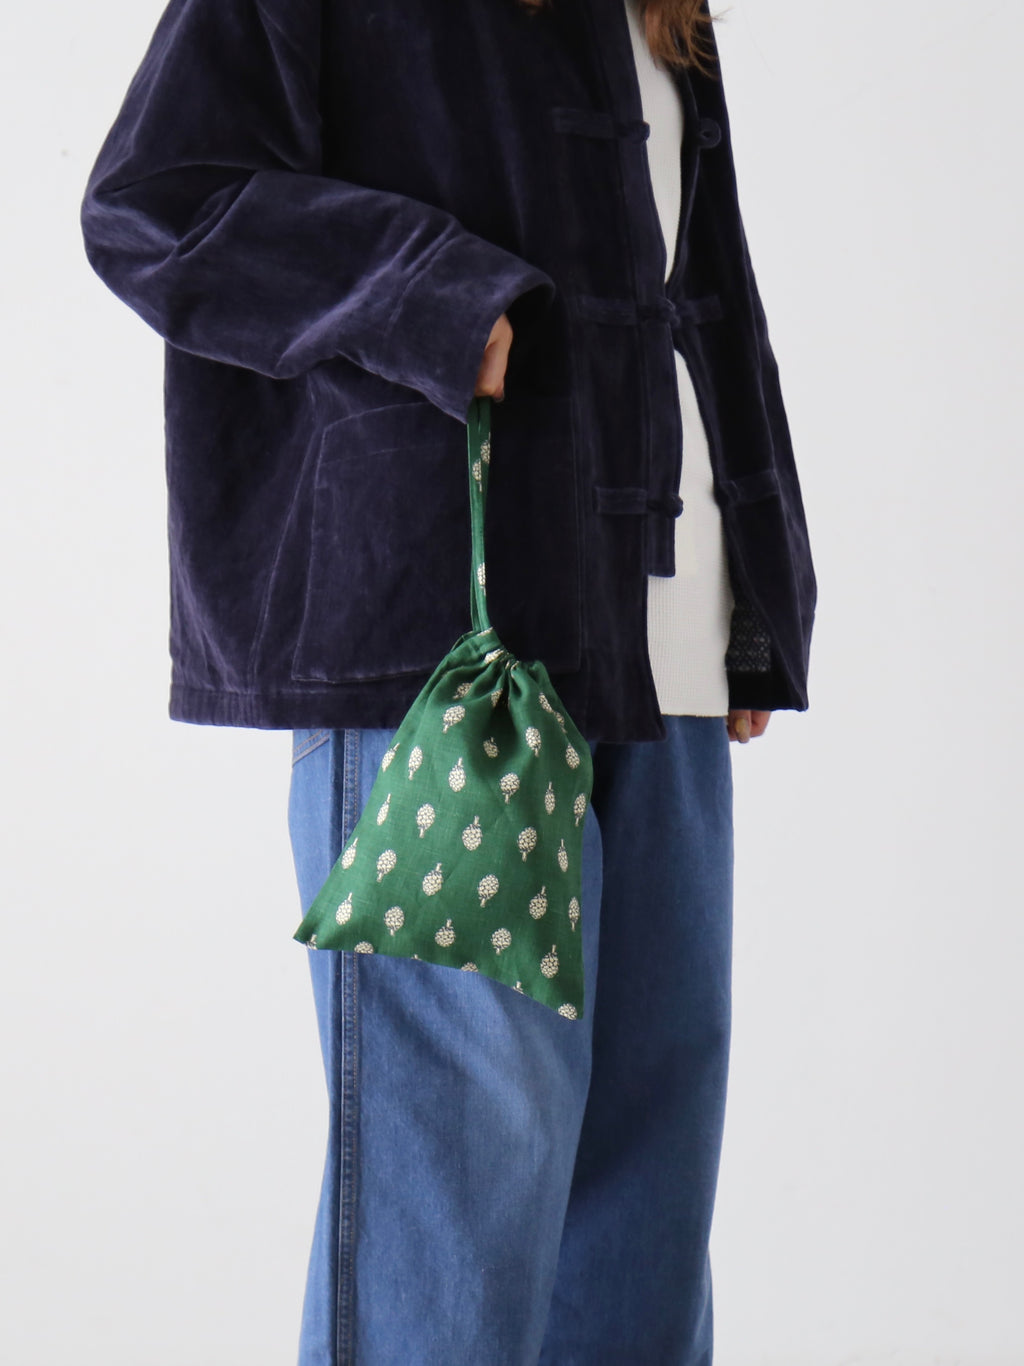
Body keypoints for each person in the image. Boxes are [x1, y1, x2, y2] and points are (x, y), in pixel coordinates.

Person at [80, 0, 815, 1360]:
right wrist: (427, 295)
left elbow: (703, 284)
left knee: (646, 1207)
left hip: (665, 652)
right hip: (445, 658)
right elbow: (155, 200)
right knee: (459, 1204)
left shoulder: (665, 10)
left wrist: (760, 590)